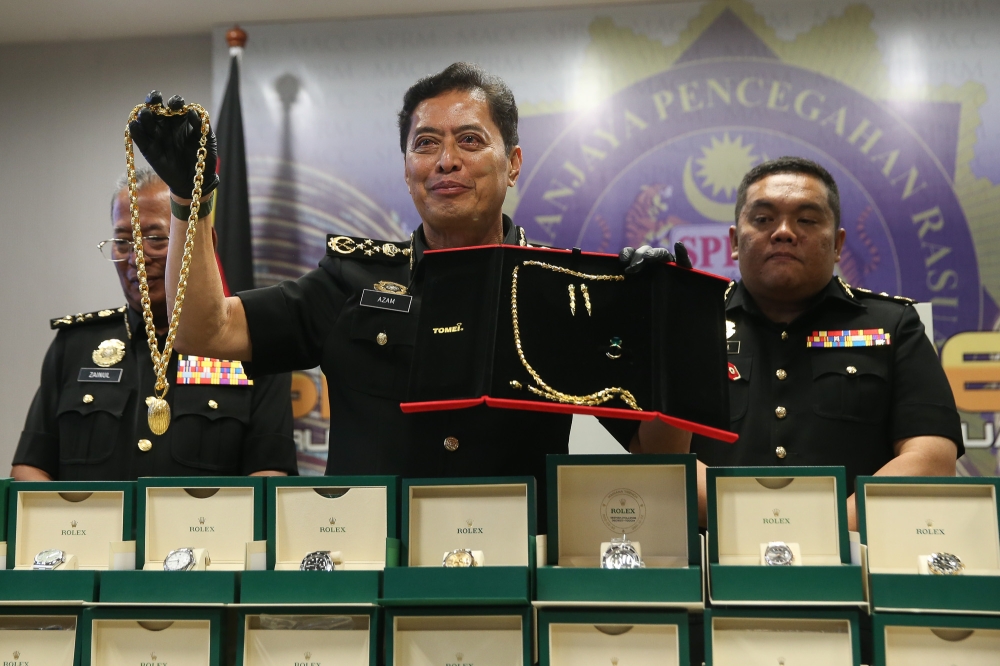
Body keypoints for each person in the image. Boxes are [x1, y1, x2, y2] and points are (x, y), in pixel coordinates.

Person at [127, 63, 691, 530]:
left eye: (470, 141)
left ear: (513, 162)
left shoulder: (564, 291)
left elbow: (660, 452)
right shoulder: (349, 279)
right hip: (372, 574)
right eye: (426, 144)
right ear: (406, 169)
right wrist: (187, 200)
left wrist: (669, 324)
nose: (446, 160)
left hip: (515, 580)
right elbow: (205, 329)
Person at [690, 156, 963, 530]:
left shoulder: (893, 325)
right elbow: (659, 456)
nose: (784, 232)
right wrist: (751, 527)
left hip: (858, 564)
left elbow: (932, 459)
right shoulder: (688, 325)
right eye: (764, 219)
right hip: (710, 562)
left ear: (837, 244)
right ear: (736, 241)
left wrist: (825, 532)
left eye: (806, 219)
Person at [10, 168, 297, 481]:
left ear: (205, 244)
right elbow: (31, 467)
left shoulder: (253, 348)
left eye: (157, 239)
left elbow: (269, 475)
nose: (137, 256)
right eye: (122, 241)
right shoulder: (75, 346)